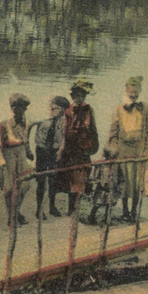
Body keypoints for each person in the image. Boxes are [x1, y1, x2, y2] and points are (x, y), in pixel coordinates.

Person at [106, 75, 148, 221]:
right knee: (125, 182)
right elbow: (113, 131)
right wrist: (113, 147)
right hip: (124, 150)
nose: (133, 95)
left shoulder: (145, 108)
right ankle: (125, 211)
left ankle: (134, 211)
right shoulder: (119, 109)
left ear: (139, 91)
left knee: (138, 183)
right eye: (130, 92)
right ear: (126, 91)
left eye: (135, 92)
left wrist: (147, 148)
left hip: (139, 151)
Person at [56, 79, 99, 216]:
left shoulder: (88, 109)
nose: (80, 97)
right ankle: (70, 209)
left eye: (83, 95)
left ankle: (76, 209)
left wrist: (93, 145)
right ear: (73, 95)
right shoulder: (68, 111)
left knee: (81, 178)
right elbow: (63, 131)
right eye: (78, 94)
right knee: (69, 178)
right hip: (71, 149)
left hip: (83, 149)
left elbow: (93, 128)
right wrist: (62, 148)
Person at [0, 93, 32, 227]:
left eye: (24, 108)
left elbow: (25, 139)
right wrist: (1, 165)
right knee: (9, 189)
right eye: (19, 108)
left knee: (25, 185)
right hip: (8, 155)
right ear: (13, 108)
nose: (22, 111)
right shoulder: (3, 124)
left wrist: (28, 151)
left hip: (20, 154)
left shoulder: (26, 122)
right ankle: (11, 217)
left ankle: (17, 212)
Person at [26, 95, 69, 219]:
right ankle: (39, 209)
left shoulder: (63, 119)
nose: (59, 111)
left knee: (53, 180)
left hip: (55, 151)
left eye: (62, 109)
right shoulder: (42, 117)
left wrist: (61, 149)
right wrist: (27, 147)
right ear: (52, 106)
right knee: (41, 180)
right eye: (56, 108)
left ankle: (52, 206)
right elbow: (29, 126)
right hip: (42, 151)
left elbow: (64, 134)